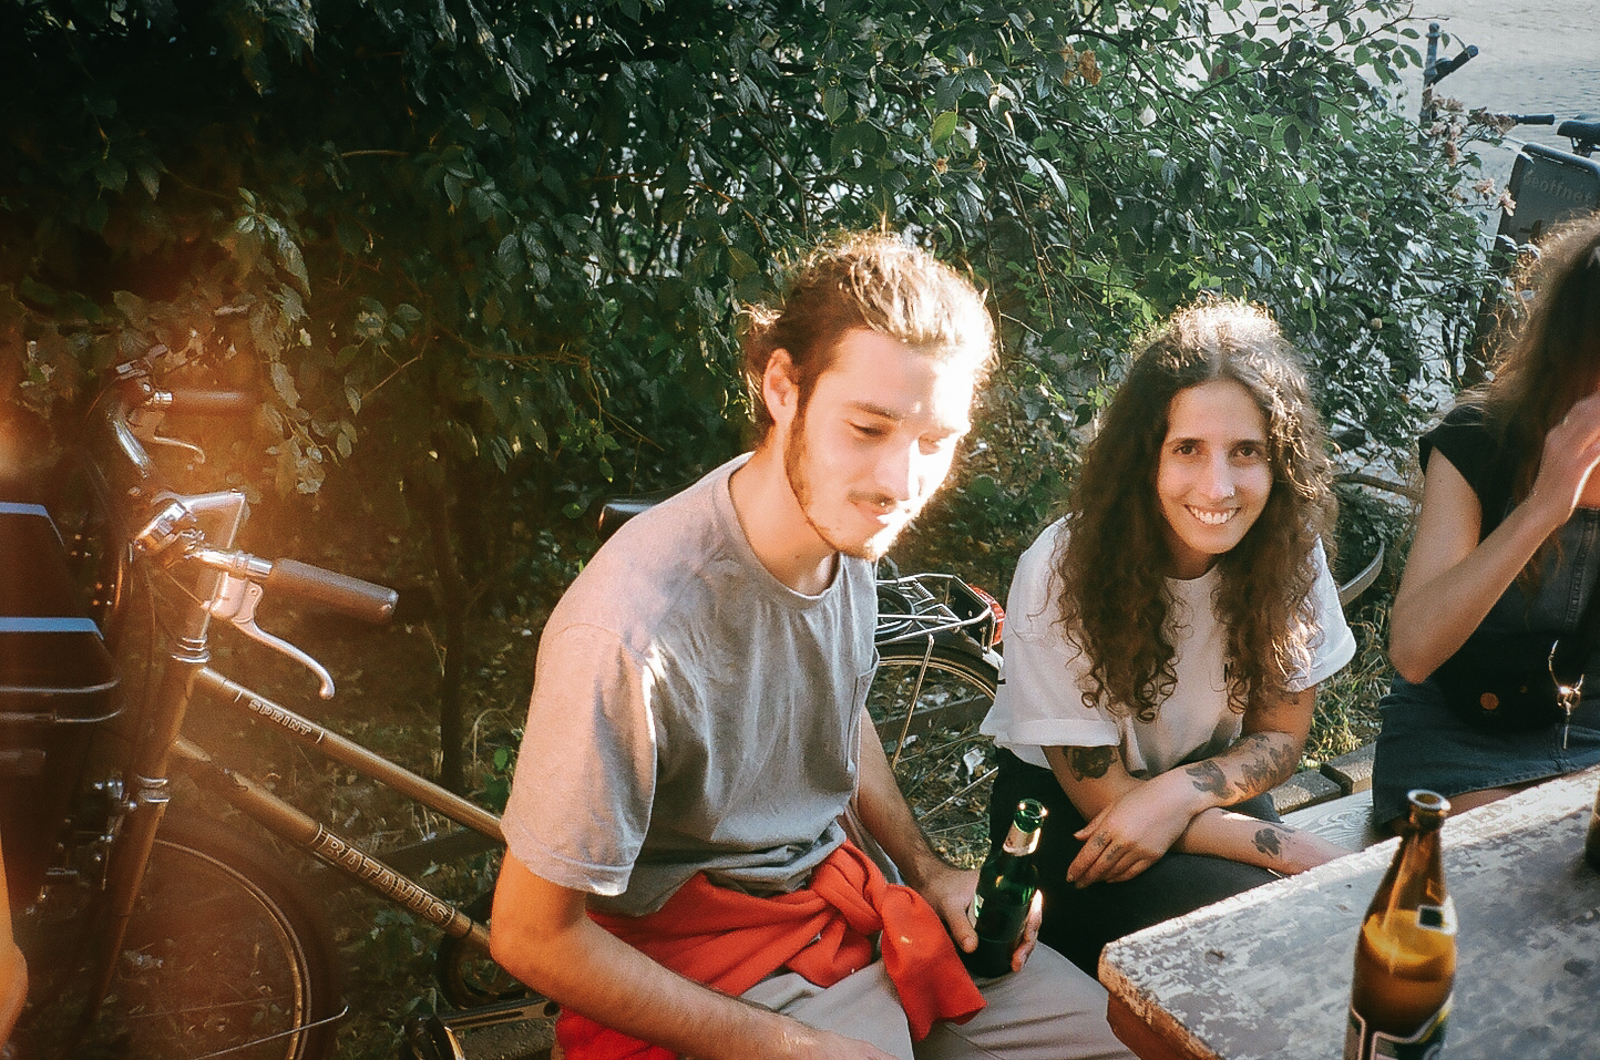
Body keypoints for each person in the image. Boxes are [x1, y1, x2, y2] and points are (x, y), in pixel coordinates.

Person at [489, 231, 1134, 1060]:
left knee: (1130, 1038)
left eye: (934, 442)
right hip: (714, 969)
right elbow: (532, 936)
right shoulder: (628, 634)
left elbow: (839, 708)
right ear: (782, 387)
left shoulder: (844, 534)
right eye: (867, 427)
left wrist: (930, 871)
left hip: (853, 907)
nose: (900, 484)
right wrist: (790, 1046)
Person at [978, 299, 1358, 974]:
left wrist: (1180, 792)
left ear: (1280, 462)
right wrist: (1299, 850)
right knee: (1266, 933)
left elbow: (1280, 736)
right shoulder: (1061, 570)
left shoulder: (1289, 551)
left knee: (1316, 929)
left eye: (1246, 452)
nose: (1218, 486)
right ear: (1143, 457)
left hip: (1209, 792)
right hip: (1080, 830)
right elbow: (1108, 802)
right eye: (1188, 449)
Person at [1372, 211, 1600, 831]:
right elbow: (1413, 651)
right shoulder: (1478, 440)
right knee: (1514, 862)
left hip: (1589, 735)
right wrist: (1543, 508)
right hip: (1459, 733)